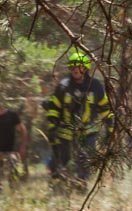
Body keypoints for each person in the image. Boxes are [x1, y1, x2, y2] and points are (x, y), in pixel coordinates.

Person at [43, 50, 112, 184]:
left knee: (85, 157)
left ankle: (82, 183)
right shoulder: (63, 86)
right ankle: (57, 180)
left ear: (85, 67)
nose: (74, 69)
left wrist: (110, 127)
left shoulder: (96, 86)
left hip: (88, 130)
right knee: (63, 158)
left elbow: (105, 108)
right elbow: (54, 108)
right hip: (66, 130)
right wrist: (52, 127)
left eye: (78, 66)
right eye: (72, 67)